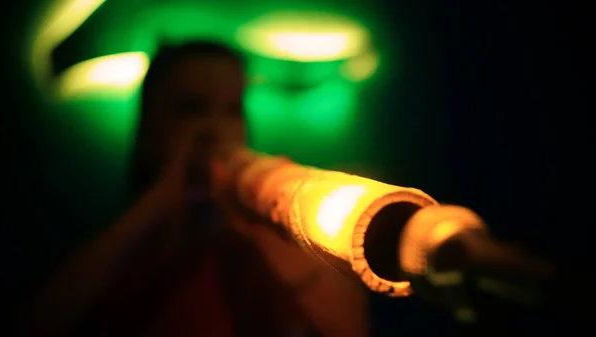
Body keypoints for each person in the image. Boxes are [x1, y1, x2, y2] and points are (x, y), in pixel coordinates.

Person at [28, 41, 369, 337]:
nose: (215, 129)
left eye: (232, 109)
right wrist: (158, 201)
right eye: (192, 108)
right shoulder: (112, 247)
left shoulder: (267, 241)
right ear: (149, 125)